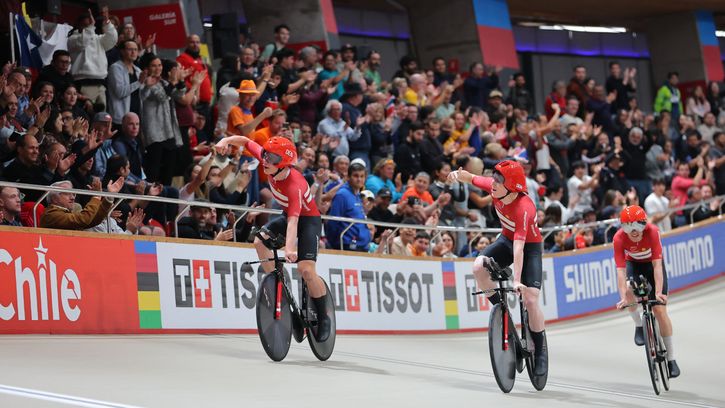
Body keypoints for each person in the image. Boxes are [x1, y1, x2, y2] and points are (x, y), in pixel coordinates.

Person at [215, 135, 331, 342]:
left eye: (272, 158)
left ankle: (324, 317)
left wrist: (289, 249)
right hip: (289, 216)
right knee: (259, 241)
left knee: (306, 270)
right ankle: (282, 290)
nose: (266, 161)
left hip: (308, 221)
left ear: (283, 163)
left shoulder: (294, 185)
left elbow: (294, 223)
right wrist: (226, 141)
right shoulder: (268, 160)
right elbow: (245, 141)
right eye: (266, 155)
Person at [448, 160, 547, 376]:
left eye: (498, 181)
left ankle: (539, 352)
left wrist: (517, 280)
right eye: (493, 179)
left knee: (531, 300)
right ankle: (503, 314)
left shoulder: (524, 208)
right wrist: (456, 174)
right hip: (506, 240)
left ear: (511, 187)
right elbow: (471, 178)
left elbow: (519, 249)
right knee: (478, 267)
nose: (492, 183)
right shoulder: (494, 188)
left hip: (529, 247)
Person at [614, 205, 680, 378]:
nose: (634, 231)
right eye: (629, 227)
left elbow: (657, 265)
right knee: (629, 289)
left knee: (659, 310)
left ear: (644, 224)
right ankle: (638, 325)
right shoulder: (618, 238)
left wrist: (658, 293)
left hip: (652, 266)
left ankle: (672, 359)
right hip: (634, 265)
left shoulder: (653, 231)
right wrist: (623, 297)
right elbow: (620, 271)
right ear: (623, 227)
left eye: (638, 225)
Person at [39, 178, 124, 230]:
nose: (72, 198)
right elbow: (83, 219)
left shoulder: (65, 212)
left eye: (73, 194)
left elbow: (94, 220)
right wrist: (96, 196)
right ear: (54, 198)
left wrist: (109, 197)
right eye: (67, 193)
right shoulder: (51, 214)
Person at [325, 162, 371, 251]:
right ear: (348, 177)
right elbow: (333, 221)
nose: (359, 179)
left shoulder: (358, 195)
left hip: (361, 245)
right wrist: (335, 244)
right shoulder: (342, 195)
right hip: (347, 246)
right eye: (356, 176)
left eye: (362, 176)